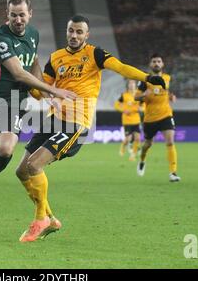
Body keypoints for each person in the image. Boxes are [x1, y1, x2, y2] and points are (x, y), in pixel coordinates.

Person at [14, 15, 166, 242]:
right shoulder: (56, 58)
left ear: (87, 35)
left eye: (79, 32)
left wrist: (148, 77)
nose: (74, 36)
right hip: (53, 119)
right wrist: (31, 73)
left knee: (34, 164)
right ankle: (51, 218)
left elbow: (121, 68)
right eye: (71, 31)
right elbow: (40, 91)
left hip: (76, 122)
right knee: (21, 171)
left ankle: (40, 220)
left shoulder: (95, 54)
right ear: (67, 32)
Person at [0, 0, 76, 225]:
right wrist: (54, 91)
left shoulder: (33, 35)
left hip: (14, 101)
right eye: (13, 15)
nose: (18, 19)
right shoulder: (0, 38)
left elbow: (32, 63)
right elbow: (19, 72)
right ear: (7, 15)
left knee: (6, 149)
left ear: (30, 14)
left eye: (22, 15)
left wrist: (44, 92)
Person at [135, 54, 181, 183]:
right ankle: (142, 160)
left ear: (162, 64)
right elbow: (135, 97)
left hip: (166, 115)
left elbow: (168, 92)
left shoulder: (167, 78)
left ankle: (173, 172)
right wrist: (145, 94)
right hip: (150, 118)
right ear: (150, 65)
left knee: (170, 141)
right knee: (147, 145)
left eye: (159, 61)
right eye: (154, 61)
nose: (156, 63)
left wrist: (171, 97)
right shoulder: (145, 80)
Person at [114, 80, 144, 161]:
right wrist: (123, 110)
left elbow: (143, 105)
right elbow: (116, 105)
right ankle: (123, 147)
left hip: (136, 120)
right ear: (128, 85)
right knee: (128, 139)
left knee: (138, 138)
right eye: (130, 83)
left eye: (133, 83)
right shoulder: (124, 95)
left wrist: (141, 109)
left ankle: (133, 155)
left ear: (135, 85)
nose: (131, 85)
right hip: (127, 120)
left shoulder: (138, 95)